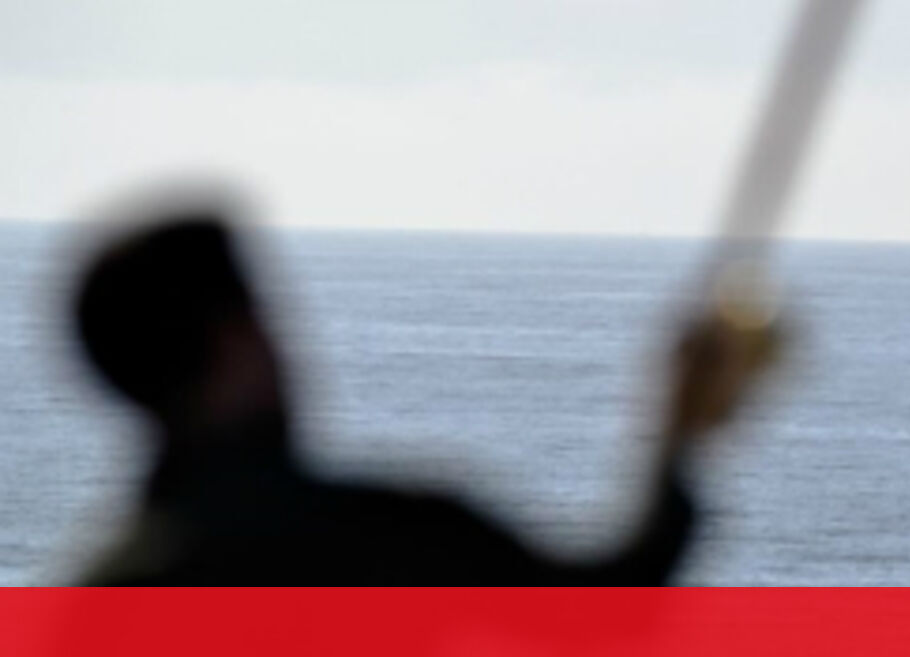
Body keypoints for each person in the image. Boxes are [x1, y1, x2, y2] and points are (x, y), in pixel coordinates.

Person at [71, 213, 778, 585]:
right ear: (237, 345)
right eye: (268, 322)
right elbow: (607, 606)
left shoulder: (106, 592)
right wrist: (680, 422)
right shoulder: (390, 536)